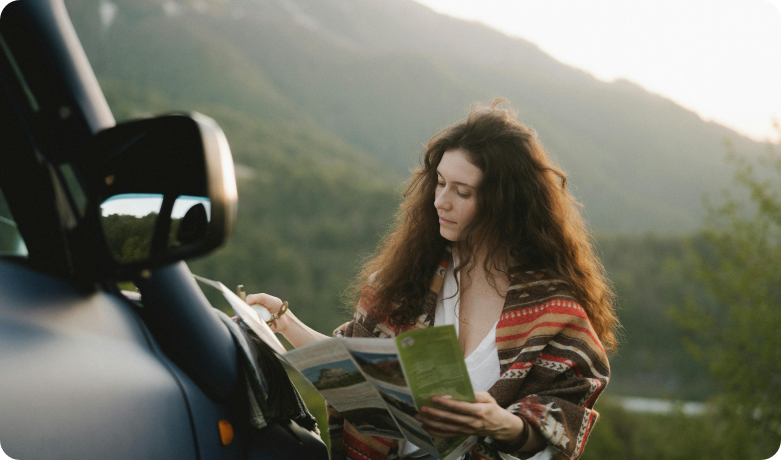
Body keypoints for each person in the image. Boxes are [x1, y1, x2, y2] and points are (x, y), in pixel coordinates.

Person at [246, 99, 617, 460]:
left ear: (505, 202)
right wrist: (284, 321)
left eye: (462, 191)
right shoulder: (411, 279)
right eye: (439, 183)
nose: (441, 201)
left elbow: (561, 426)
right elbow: (355, 371)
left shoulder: (553, 312)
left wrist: (503, 424)